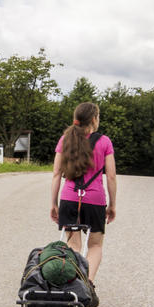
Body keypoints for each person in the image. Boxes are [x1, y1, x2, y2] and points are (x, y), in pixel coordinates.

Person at [49, 101, 117, 268]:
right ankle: (89, 283)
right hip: (95, 200)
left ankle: (72, 284)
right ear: (94, 119)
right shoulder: (105, 141)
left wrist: (54, 204)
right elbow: (111, 177)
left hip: (69, 199)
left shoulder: (65, 140)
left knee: (73, 246)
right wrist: (112, 205)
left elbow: (56, 174)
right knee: (95, 246)